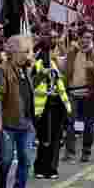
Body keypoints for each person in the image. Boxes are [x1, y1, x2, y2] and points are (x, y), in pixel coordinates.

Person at [0, 35, 36, 188]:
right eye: (25, 51)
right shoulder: (2, 70)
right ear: (14, 53)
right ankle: (1, 184)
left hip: (26, 124)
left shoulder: (27, 69)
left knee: (25, 160)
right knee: (6, 159)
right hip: (8, 124)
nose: (28, 55)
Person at [32, 38, 71, 179]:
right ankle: (40, 167)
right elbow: (33, 84)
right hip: (43, 106)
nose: (54, 52)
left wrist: (66, 106)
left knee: (55, 139)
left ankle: (52, 168)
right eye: (51, 49)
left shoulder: (55, 65)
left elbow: (60, 84)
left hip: (57, 105)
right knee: (44, 139)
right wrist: (42, 73)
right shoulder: (37, 65)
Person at [65, 29, 94, 163]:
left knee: (88, 123)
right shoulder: (71, 53)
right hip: (72, 92)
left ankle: (86, 152)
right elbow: (65, 70)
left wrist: (93, 68)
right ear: (79, 38)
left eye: (89, 38)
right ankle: (70, 152)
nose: (86, 40)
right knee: (69, 123)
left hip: (88, 93)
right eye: (84, 37)